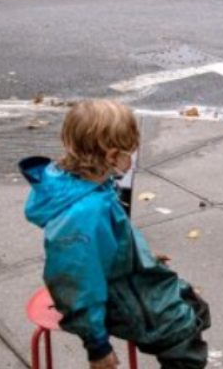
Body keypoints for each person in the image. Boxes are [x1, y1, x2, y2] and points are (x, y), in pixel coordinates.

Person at [21, 100, 211, 369]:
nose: (131, 158)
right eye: (129, 152)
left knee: (194, 304)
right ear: (111, 156)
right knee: (184, 340)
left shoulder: (88, 182)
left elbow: (110, 237)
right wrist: (97, 346)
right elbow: (77, 284)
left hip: (126, 276)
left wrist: (139, 252)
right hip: (116, 298)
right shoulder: (83, 214)